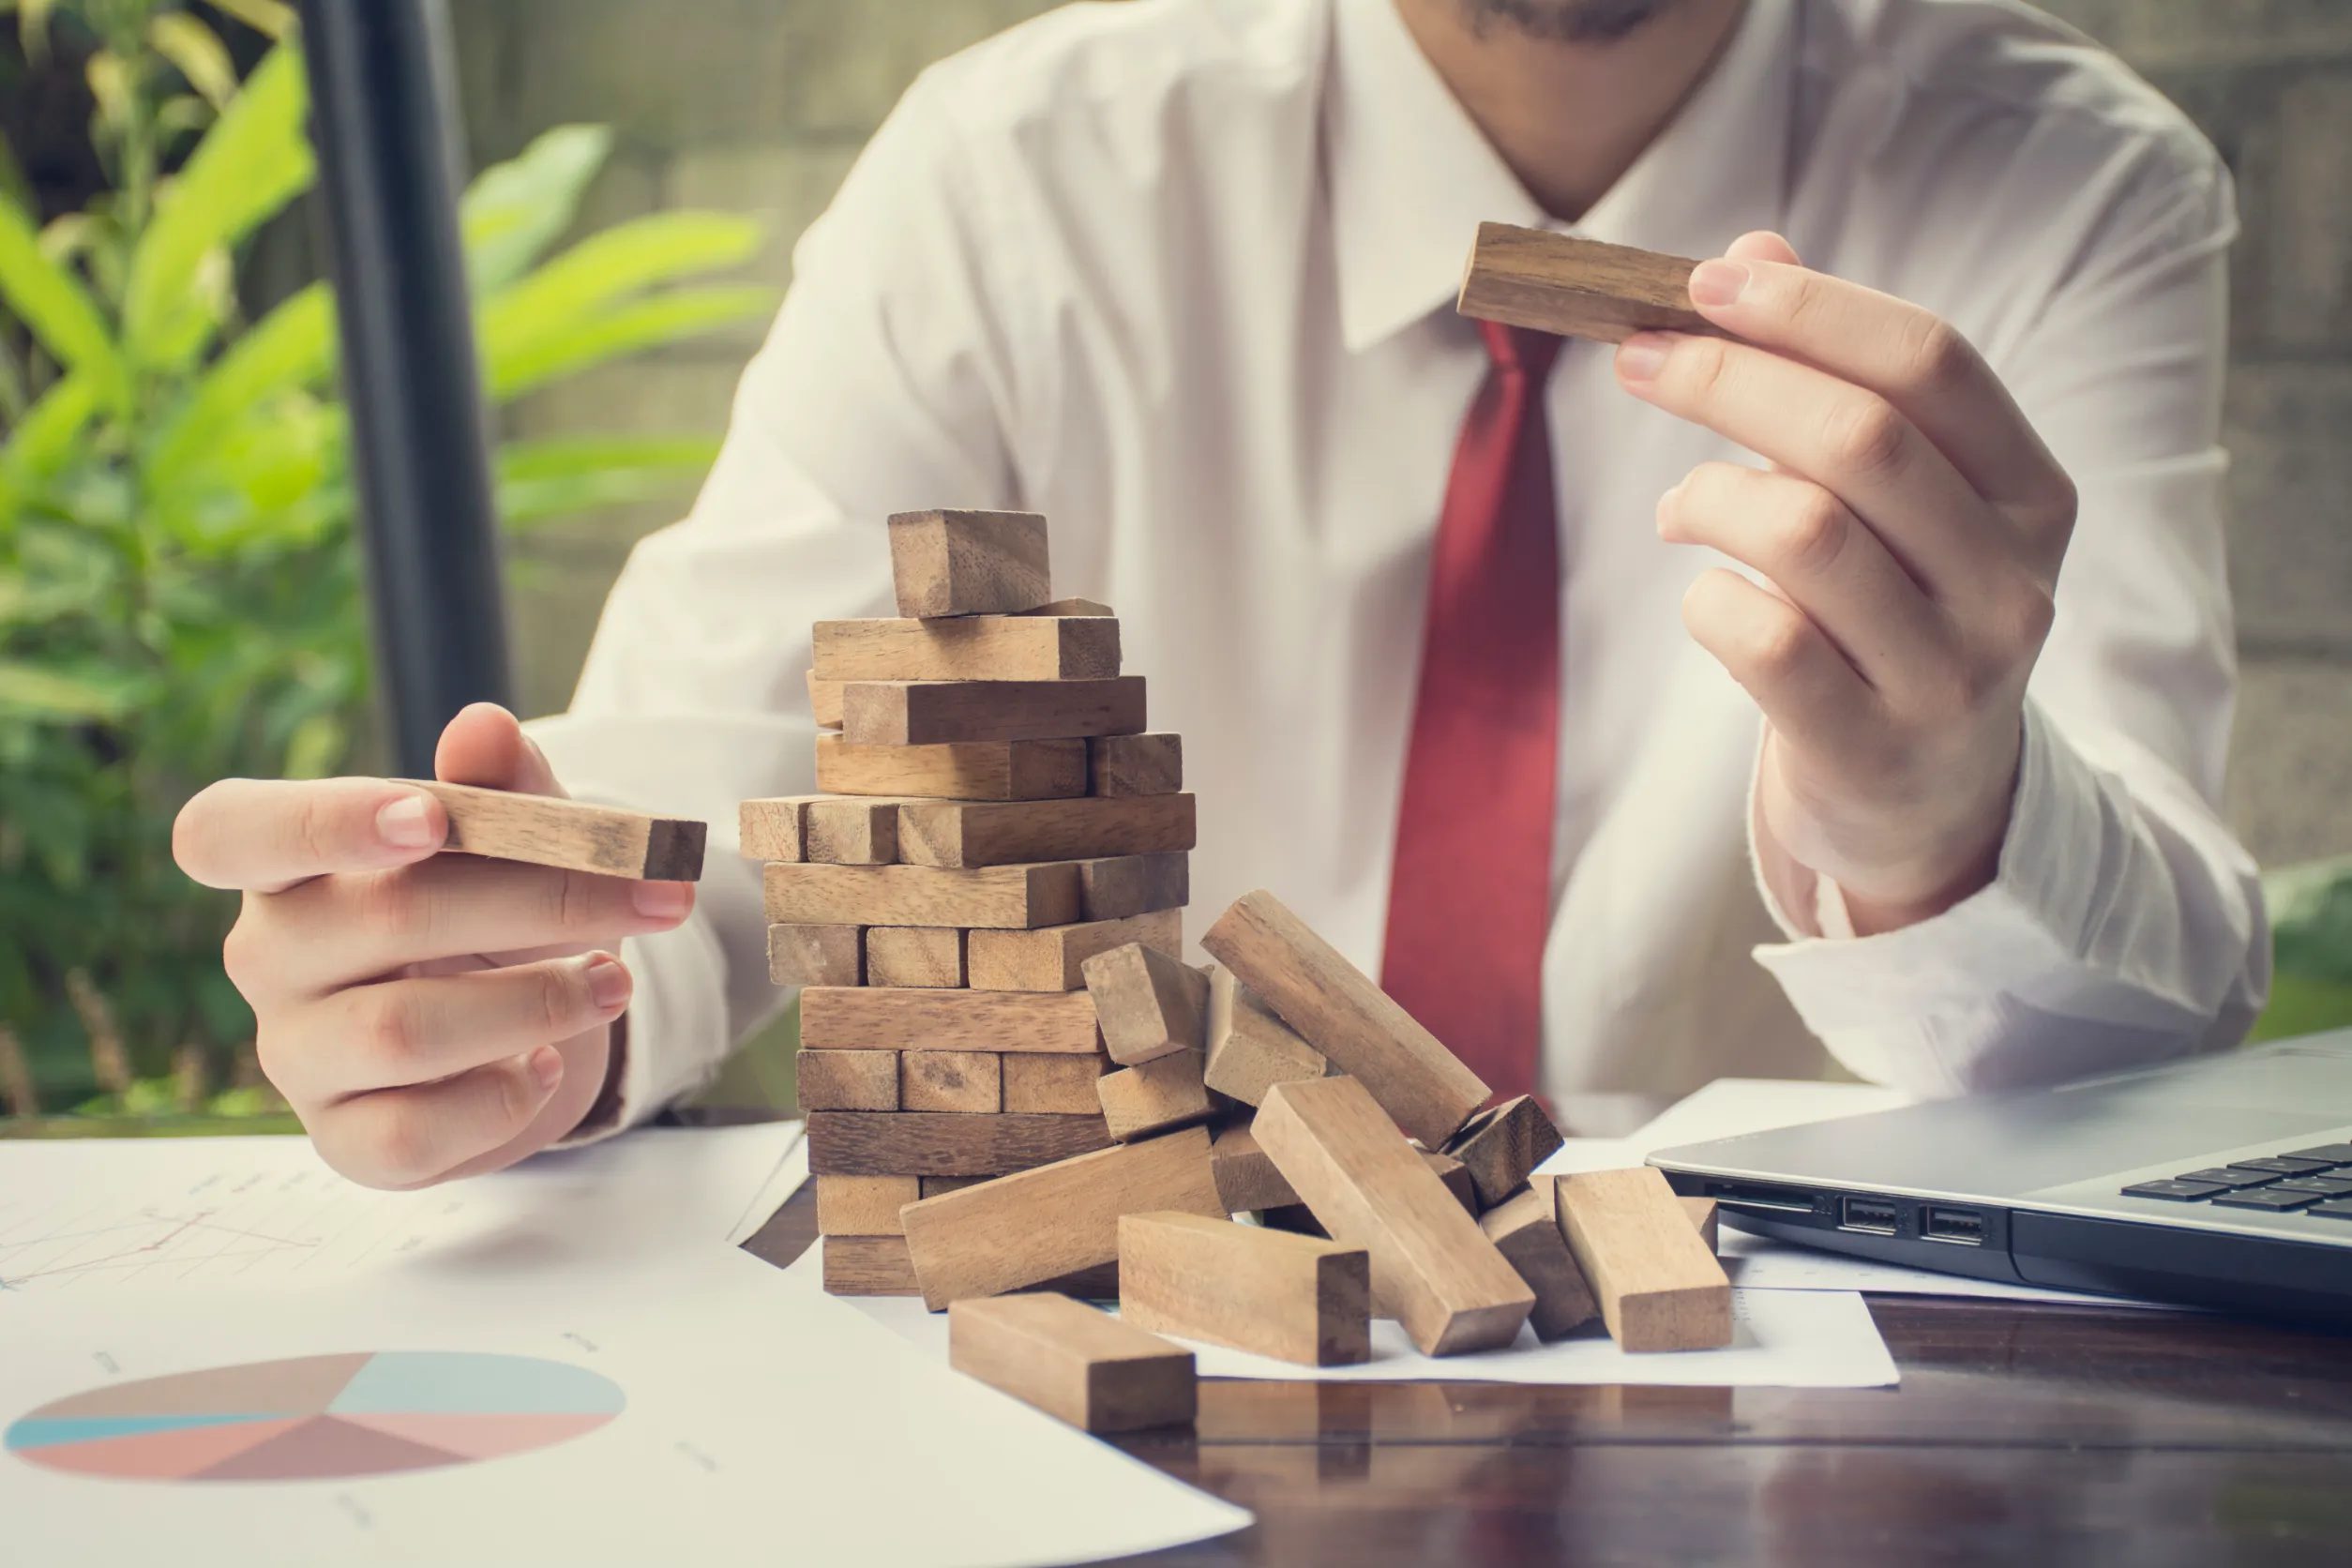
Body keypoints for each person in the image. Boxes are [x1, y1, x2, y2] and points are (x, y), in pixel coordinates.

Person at [173, 0, 2266, 1189]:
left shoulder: (2069, 187)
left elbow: (2169, 1015)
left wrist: (1936, 824)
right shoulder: (1011, 184)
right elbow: (734, 791)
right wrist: (522, 987)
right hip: (1149, 1367)